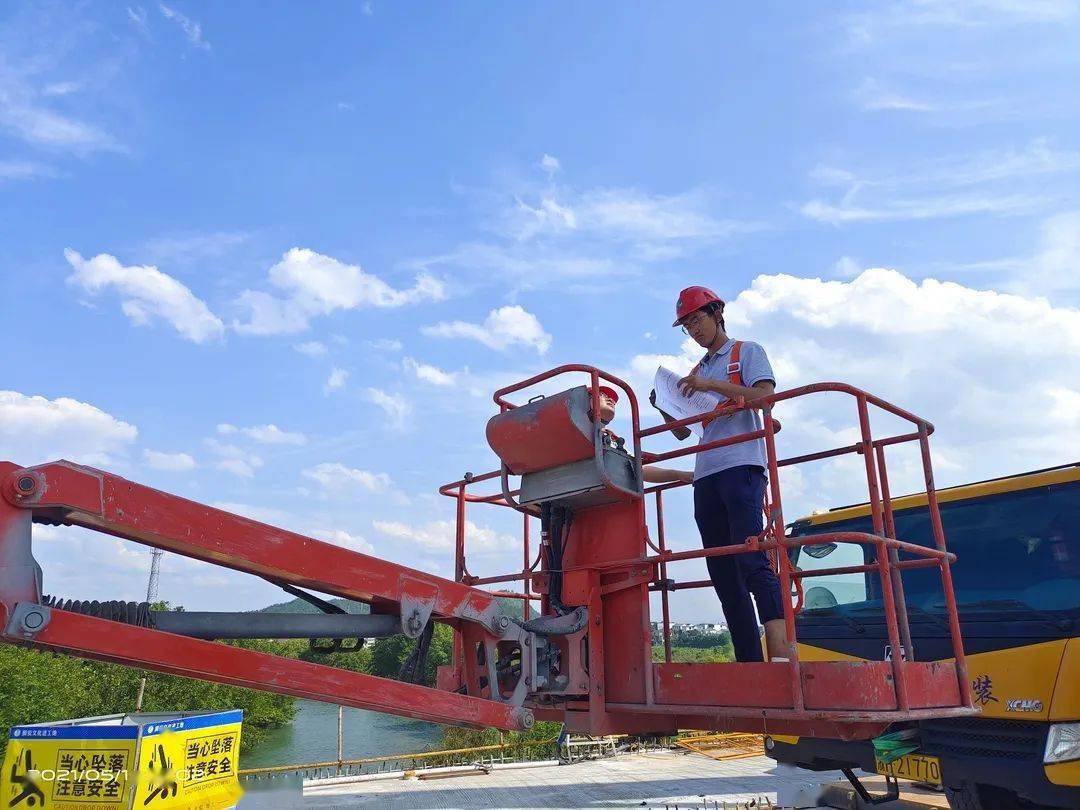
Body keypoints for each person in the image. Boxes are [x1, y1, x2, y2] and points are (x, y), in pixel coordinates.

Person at [650, 285, 787, 663]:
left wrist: (709, 385)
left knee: (750, 556)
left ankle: (779, 652)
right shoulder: (697, 370)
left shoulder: (746, 352)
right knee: (721, 569)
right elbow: (682, 430)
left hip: (741, 464)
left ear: (716, 313)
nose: (694, 329)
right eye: (687, 324)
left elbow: (765, 398)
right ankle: (748, 661)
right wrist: (664, 406)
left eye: (697, 319)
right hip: (706, 472)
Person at [589, 385, 693, 485]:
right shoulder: (575, 434)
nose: (611, 400)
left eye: (612, 399)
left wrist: (678, 474)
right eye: (602, 395)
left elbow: (639, 469)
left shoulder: (613, 440)